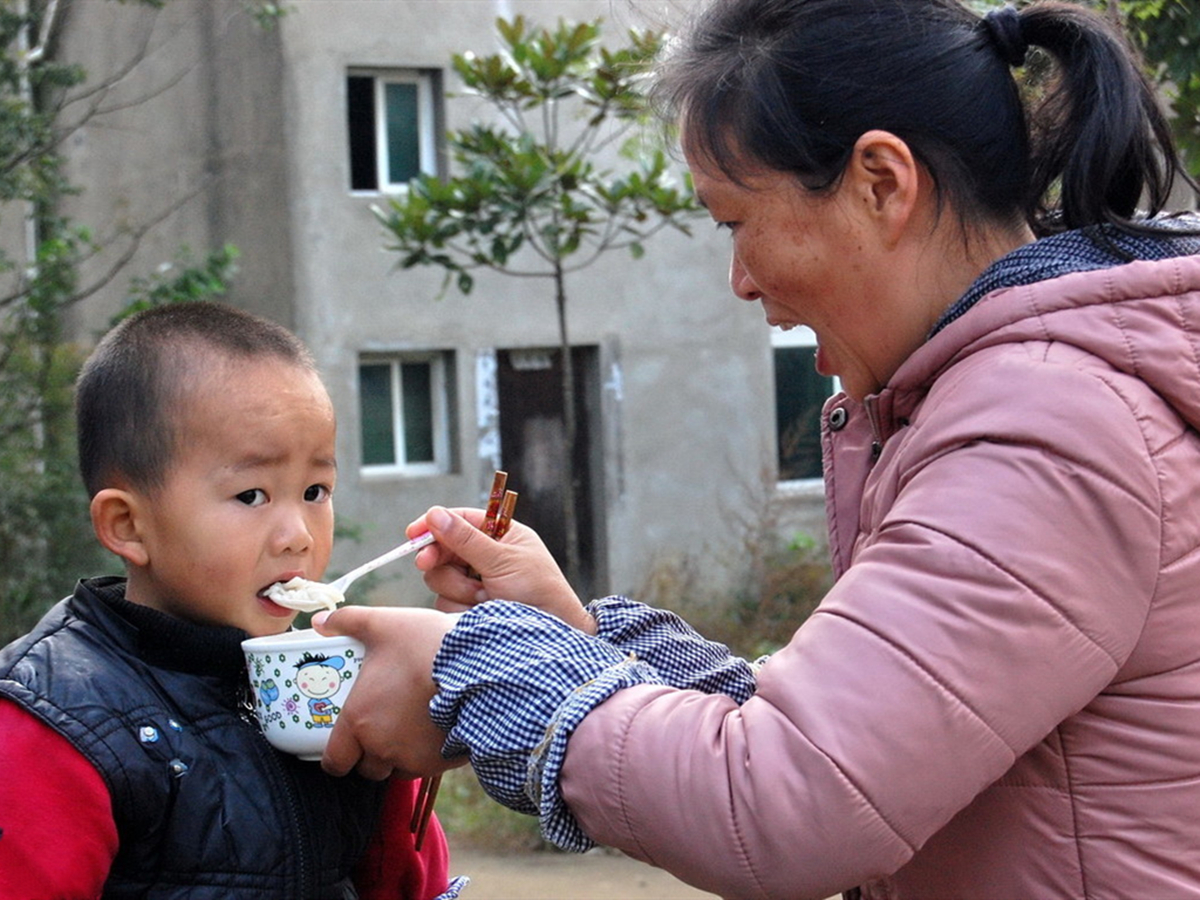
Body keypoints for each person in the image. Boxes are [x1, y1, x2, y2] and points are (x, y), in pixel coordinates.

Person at [314, 0, 1200, 897]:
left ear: (882, 184)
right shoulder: (1019, 404)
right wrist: (566, 636)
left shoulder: (1047, 429)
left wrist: (470, 667)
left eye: (735, 221)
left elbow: (787, 800)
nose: (741, 282)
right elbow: (847, 738)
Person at [0, 302, 463, 899]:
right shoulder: (50, 722)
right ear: (129, 526)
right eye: (251, 495)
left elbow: (406, 883)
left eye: (315, 490)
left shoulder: (338, 687)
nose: (298, 533)